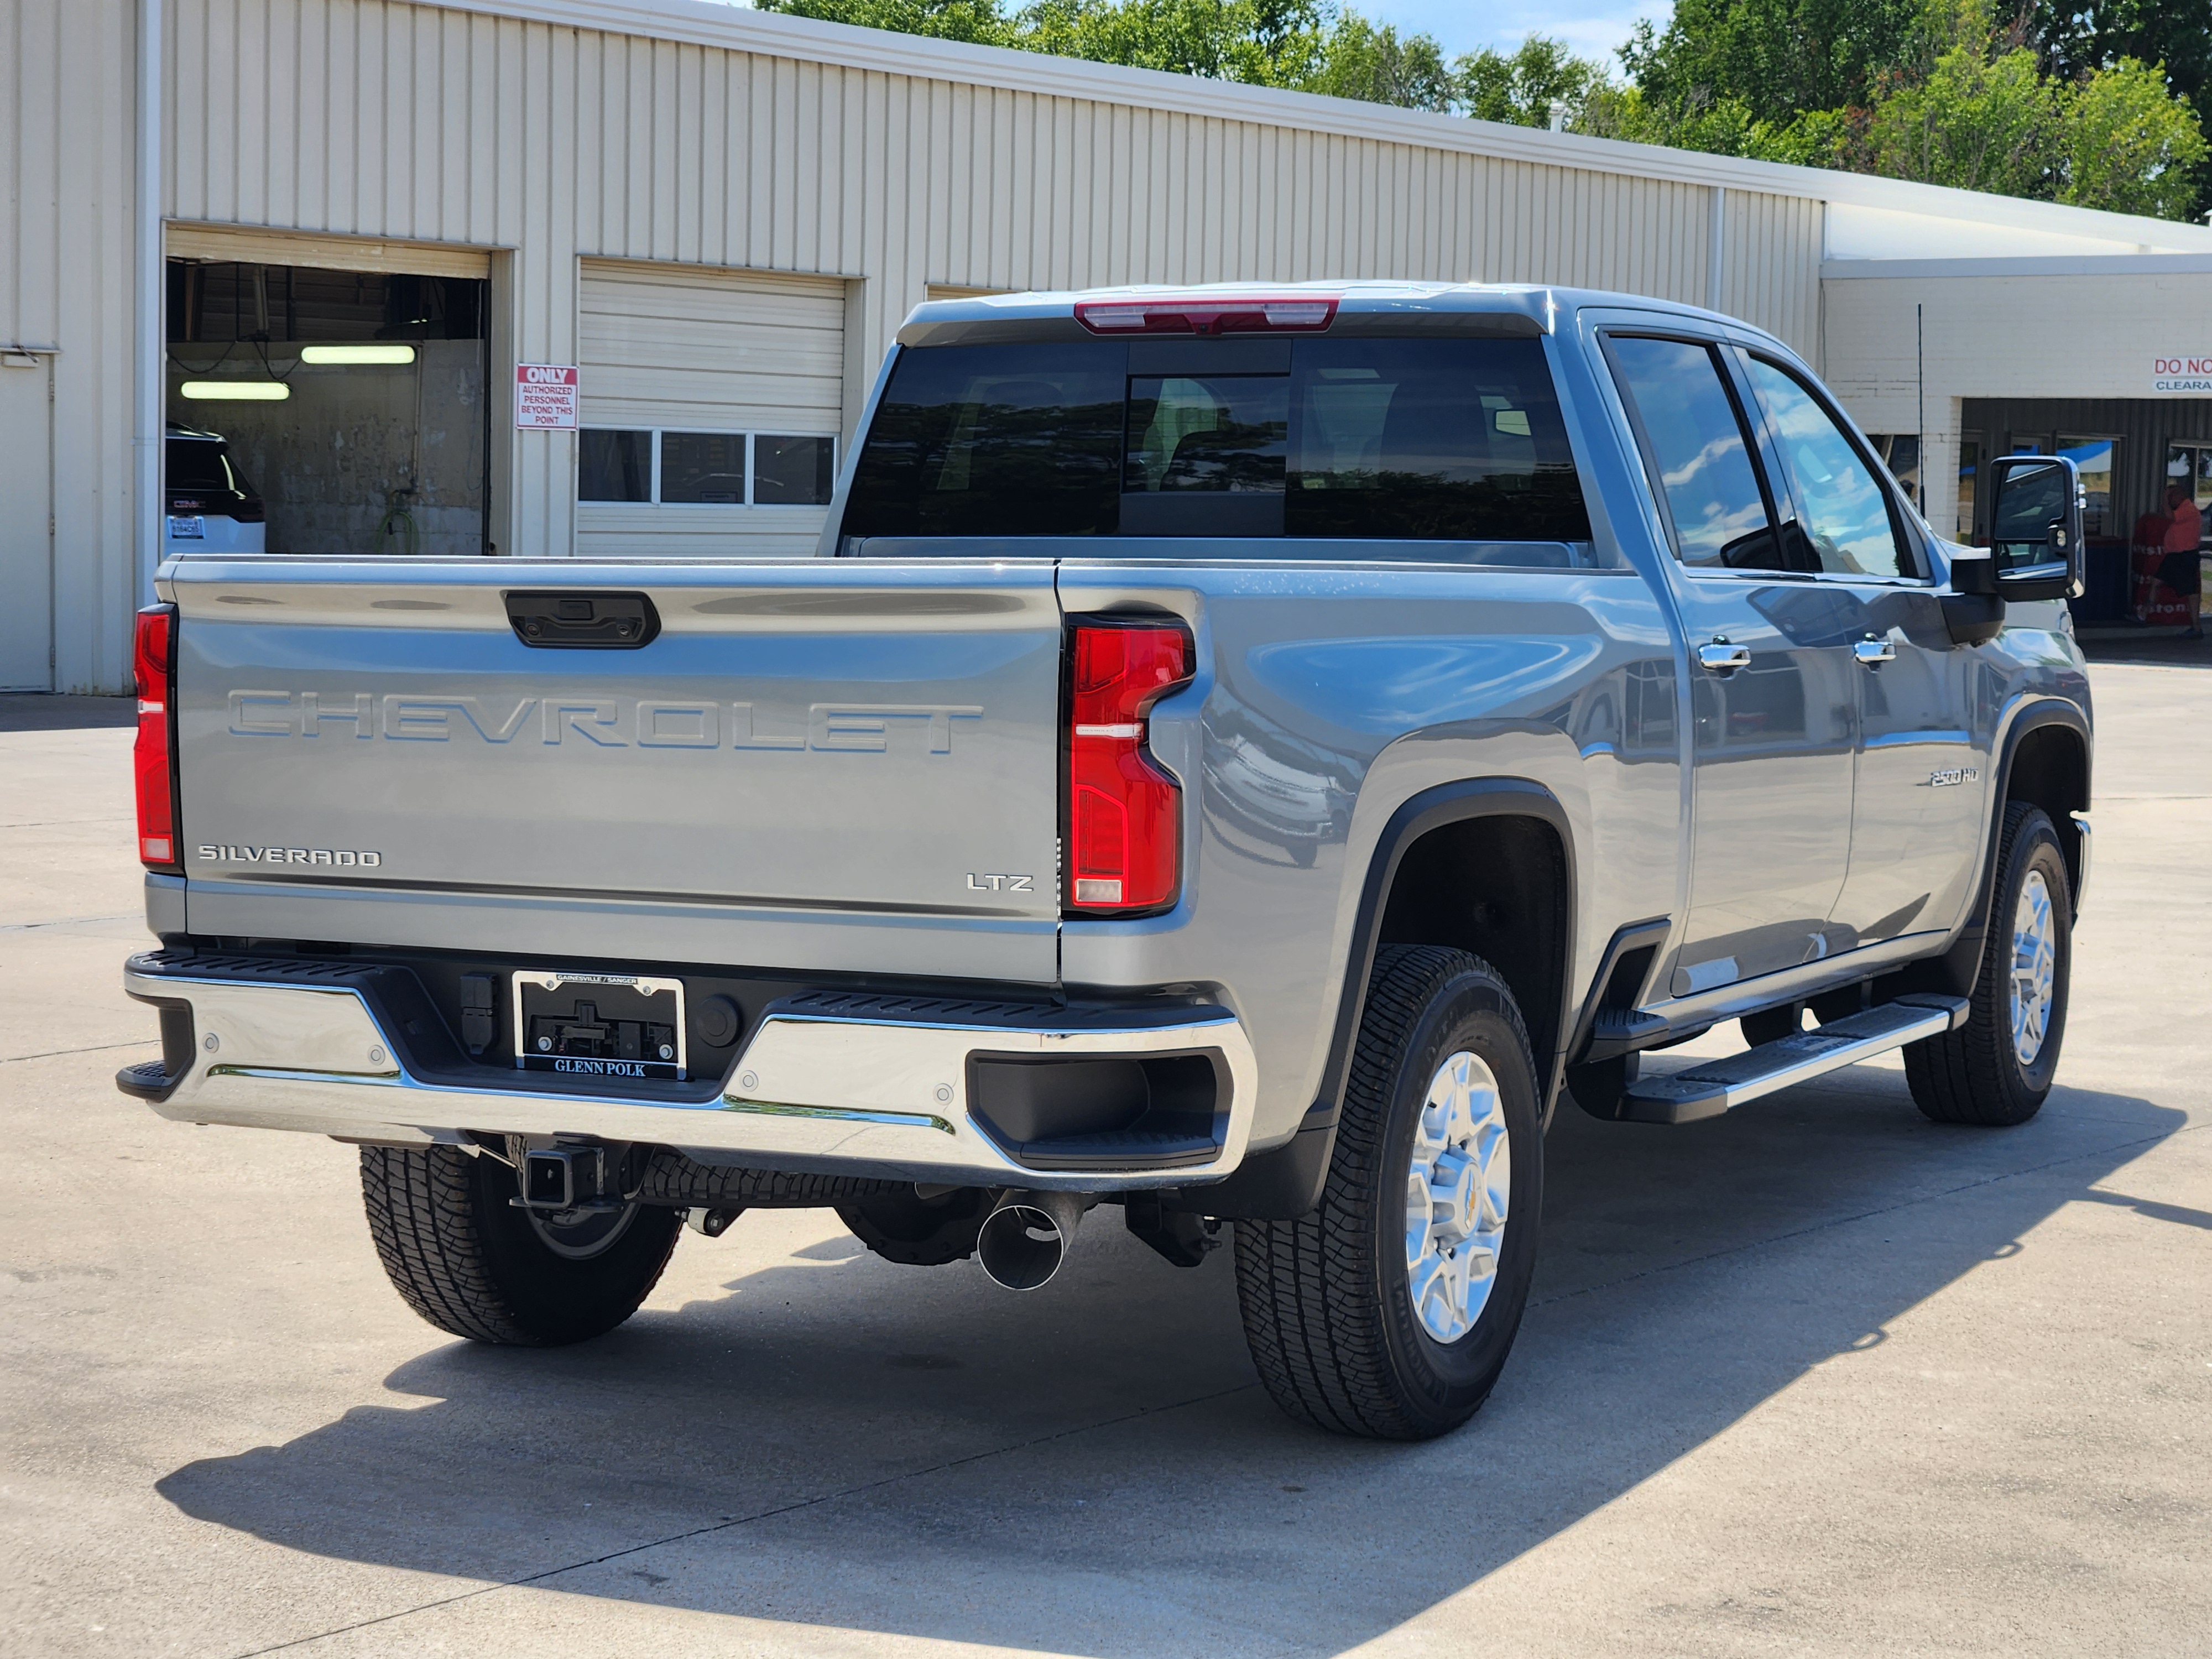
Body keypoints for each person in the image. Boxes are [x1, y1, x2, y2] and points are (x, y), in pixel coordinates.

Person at [2161, 483, 2204, 640]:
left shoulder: (2188, 510)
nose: (2170, 501)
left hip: (2185, 555)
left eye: (2172, 497)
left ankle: (2196, 626)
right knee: (2156, 581)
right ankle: (2144, 614)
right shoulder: (2184, 509)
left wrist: (2165, 499)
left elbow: (2169, 517)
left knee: (2191, 591)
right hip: (2176, 554)